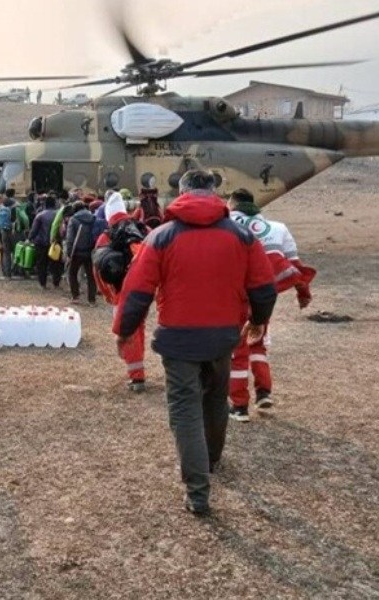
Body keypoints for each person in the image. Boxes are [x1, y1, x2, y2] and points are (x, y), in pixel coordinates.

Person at [113, 170, 276, 516]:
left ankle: (198, 491)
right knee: (216, 399)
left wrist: (125, 329)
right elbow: (263, 287)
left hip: (178, 339)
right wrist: (258, 320)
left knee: (185, 410)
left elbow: (137, 289)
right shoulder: (242, 235)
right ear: (214, 192)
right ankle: (212, 460)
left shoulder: (161, 236)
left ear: (182, 192)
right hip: (222, 337)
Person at [227, 188, 316, 421]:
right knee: (257, 340)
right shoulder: (278, 228)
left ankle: (239, 406)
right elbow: (295, 263)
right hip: (265, 294)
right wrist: (303, 293)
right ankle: (263, 392)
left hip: (238, 293)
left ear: (232, 204)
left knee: (238, 349)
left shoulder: (225, 224)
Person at [93, 192, 147, 392]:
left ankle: (136, 376)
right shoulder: (140, 231)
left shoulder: (106, 236)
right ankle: (137, 366)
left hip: (120, 292)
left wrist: (106, 294)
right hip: (143, 290)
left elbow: (97, 268)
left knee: (126, 330)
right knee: (138, 327)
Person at [64, 200, 97, 305]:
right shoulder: (93, 218)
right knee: (91, 276)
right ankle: (92, 300)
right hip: (90, 251)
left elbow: (70, 238)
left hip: (77, 252)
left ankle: (76, 297)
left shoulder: (73, 220)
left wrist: (69, 253)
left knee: (72, 273)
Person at [29, 194, 61, 289]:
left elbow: (34, 230)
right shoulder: (58, 214)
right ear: (54, 204)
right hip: (55, 243)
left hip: (41, 243)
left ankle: (43, 284)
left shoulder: (40, 215)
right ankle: (56, 283)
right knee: (56, 264)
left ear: (45, 204)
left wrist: (30, 238)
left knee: (41, 264)